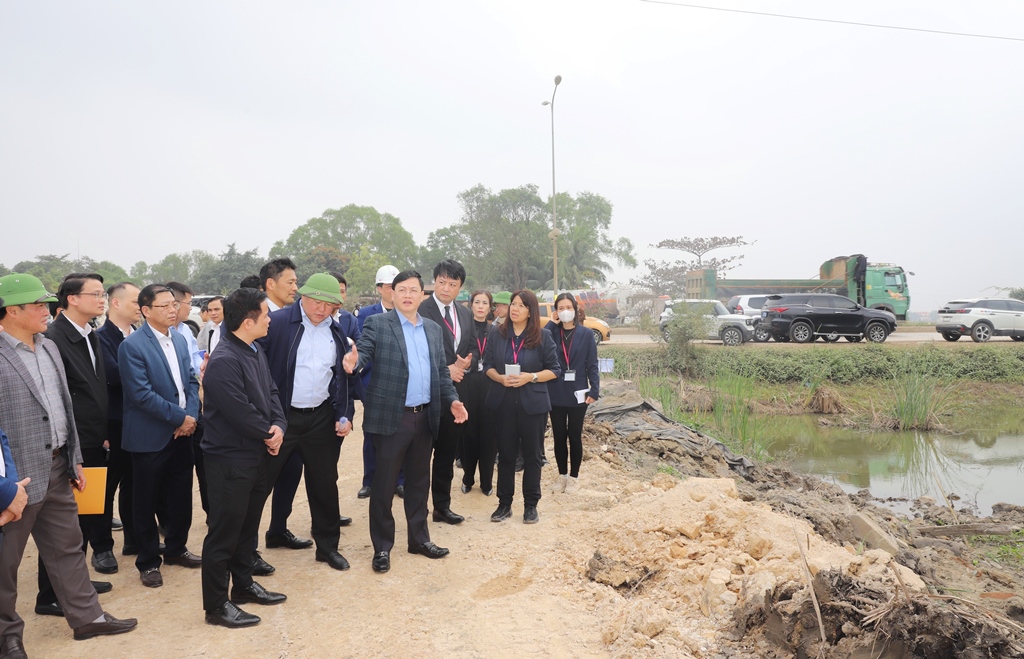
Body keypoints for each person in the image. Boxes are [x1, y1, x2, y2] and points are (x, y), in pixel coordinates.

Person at [0, 274, 138, 653]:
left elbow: (63, 407)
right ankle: (7, 637)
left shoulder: (47, 347)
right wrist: (4, 486)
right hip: (17, 481)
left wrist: (74, 457)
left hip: (59, 467)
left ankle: (88, 617)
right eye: (38, 305)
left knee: (68, 547)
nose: (48, 310)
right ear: (12, 311)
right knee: (5, 563)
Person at [343, 270, 467, 574]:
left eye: (414, 290)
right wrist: (353, 363)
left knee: (418, 483)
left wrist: (452, 400)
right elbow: (364, 352)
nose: (408, 295)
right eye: (402, 290)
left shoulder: (433, 330)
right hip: (392, 418)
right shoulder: (378, 324)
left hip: (424, 418)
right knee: (384, 485)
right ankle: (382, 547)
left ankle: (419, 540)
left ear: (422, 295)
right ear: (392, 293)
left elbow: (441, 372)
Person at [201, 287, 287, 628]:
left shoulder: (253, 349)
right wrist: (269, 433)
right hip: (230, 460)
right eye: (265, 315)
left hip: (255, 456)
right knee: (224, 533)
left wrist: (278, 425)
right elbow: (240, 412)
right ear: (248, 322)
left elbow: (272, 392)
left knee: (247, 528)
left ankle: (244, 585)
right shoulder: (224, 359)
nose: (270, 320)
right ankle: (216, 605)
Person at [257, 273, 353, 571]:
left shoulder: (336, 330)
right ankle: (246, 552)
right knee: (259, 484)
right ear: (303, 296)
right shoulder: (277, 323)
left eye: (329, 304)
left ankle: (327, 547)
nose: (322, 309)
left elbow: (341, 377)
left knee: (324, 484)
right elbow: (255, 367)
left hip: (320, 418)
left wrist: (344, 413)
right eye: (316, 302)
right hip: (281, 417)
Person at [35, 273, 114, 616]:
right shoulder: (53, 339)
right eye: (95, 294)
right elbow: (62, 399)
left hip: (93, 439)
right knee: (62, 525)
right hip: (73, 444)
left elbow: (96, 389)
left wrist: (104, 429)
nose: (101, 299)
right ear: (72, 299)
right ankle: (50, 594)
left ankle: (73, 583)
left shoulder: (89, 333)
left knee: (82, 517)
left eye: (103, 294)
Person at [119, 284, 202, 588]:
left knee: (181, 495)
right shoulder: (132, 346)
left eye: (174, 304)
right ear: (145, 311)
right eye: (164, 305)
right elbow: (140, 394)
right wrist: (180, 417)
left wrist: (190, 417)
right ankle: (148, 561)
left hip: (183, 433)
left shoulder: (178, 339)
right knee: (146, 500)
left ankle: (177, 548)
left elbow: (191, 381)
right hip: (150, 435)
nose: (172, 310)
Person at [483, 290, 560, 524]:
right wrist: (500, 378)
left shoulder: (543, 336)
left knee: (532, 456)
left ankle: (531, 505)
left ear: (530, 311)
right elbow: (487, 365)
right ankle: (504, 504)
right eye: (513, 304)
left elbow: (554, 370)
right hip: (503, 402)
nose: (514, 309)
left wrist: (531, 377)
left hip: (532, 405)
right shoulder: (497, 334)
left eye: (521, 305)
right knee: (505, 455)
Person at [417, 260, 476, 525]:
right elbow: (415, 352)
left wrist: (467, 362)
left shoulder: (465, 313)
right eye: (442, 282)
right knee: (419, 457)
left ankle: (442, 507)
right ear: (434, 282)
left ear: (460, 287)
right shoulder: (420, 310)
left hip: (456, 395)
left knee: (446, 454)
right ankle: (418, 511)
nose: (446, 288)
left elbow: (472, 345)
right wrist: (445, 369)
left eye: (453, 284)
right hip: (427, 395)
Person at [95, 282, 140, 560]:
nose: (140, 306)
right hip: (115, 423)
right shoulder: (100, 338)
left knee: (135, 486)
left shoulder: (140, 335)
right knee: (106, 488)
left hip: (140, 423)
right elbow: (114, 375)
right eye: (135, 301)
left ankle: (134, 540)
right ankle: (102, 548)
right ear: (116, 303)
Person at [354, 264, 403, 500]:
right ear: (379, 288)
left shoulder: (408, 313)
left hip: (401, 384)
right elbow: (362, 347)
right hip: (373, 382)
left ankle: (399, 480)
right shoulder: (366, 314)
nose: (393, 291)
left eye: (397, 286)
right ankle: (370, 480)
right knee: (372, 434)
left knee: (401, 434)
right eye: (389, 286)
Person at [544, 293, 600, 495]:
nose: (565, 311)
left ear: (575, 310)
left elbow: (592, 364)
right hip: (556, 391)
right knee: (559, 436)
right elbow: (539, 341)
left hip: (578, 392)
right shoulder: (552, 332)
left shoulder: (586, 334)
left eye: (568, 307)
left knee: (574, 435)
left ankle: (574, 477)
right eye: (561, 308)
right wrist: (551, 323)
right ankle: (562, 475)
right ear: (556, 311)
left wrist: (595, 389)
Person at [459, 290, 496, 496]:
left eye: (485, 303)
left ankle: (487, 481)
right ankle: (468, 478)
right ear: (471, 305)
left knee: (489, 435)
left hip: (490, 386)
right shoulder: (463, 329)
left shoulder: (496, 331)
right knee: (468, 434)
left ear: (490, 307)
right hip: (468, 385)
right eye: (477, 302)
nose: (481, 306)